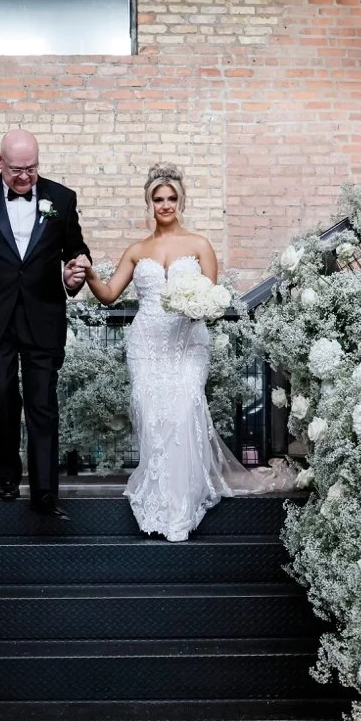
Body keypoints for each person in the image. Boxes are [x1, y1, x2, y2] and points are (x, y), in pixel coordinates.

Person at [81, 163, 292, 541]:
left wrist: (194, 305)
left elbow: (213, 299)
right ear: (149, 203)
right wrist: (90, 274)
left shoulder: (198, 245)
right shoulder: (137, 249)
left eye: (171, 198)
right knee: (153, 418)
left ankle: (180, 507)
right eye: (158, 199)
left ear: (181, 201)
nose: (165, 204)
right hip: (146, 345)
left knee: (181, 413)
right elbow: (110, 294)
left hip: (187, 345)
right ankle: (160, 500)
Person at [0, 129, 91, 518]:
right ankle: (7, 477)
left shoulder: (61, 198)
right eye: (16, 170)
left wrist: (74, 270)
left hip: (43, 318)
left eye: (32, 168)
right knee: (1, 399)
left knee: (43, 403)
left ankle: (45, 493)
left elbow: (76, 247)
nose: (25, 177)